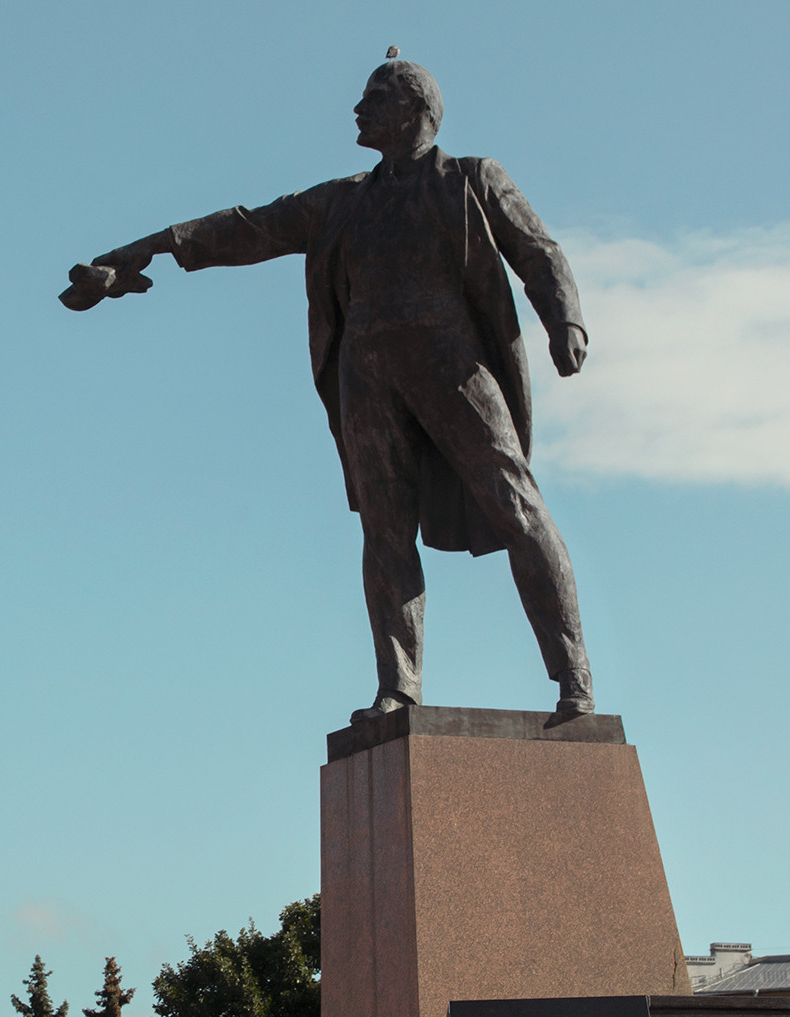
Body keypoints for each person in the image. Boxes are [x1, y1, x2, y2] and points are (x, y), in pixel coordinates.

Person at [84, 59, 596, 728]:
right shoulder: (342, 201)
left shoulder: (470, 179)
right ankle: (399, 687)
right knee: (384, 533)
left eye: (375, 97)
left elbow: (537, 251)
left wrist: (565, 321)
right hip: (367, 373)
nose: (358, 108)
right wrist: (140, 251)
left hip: (453, 364)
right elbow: (248, 226)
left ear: (417, 109)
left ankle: (573, 677)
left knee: (517, 506)